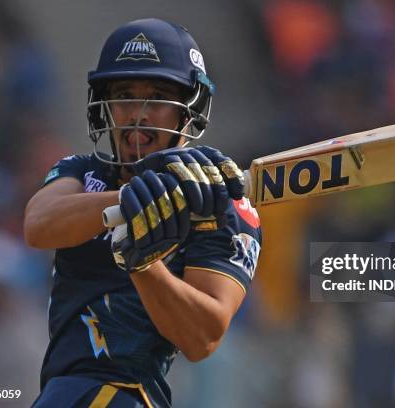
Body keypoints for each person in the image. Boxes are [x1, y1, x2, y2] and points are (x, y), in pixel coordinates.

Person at [24, 18, 262, 408]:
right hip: (65, 392)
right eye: (125, 95)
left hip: (125, 393)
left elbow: (202, 337)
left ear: (189, 111)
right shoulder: (82, 172)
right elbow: (38, 225)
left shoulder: (224, 207)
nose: (139, 113)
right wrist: (132, 199)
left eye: (157, 97)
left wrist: (145, 265)